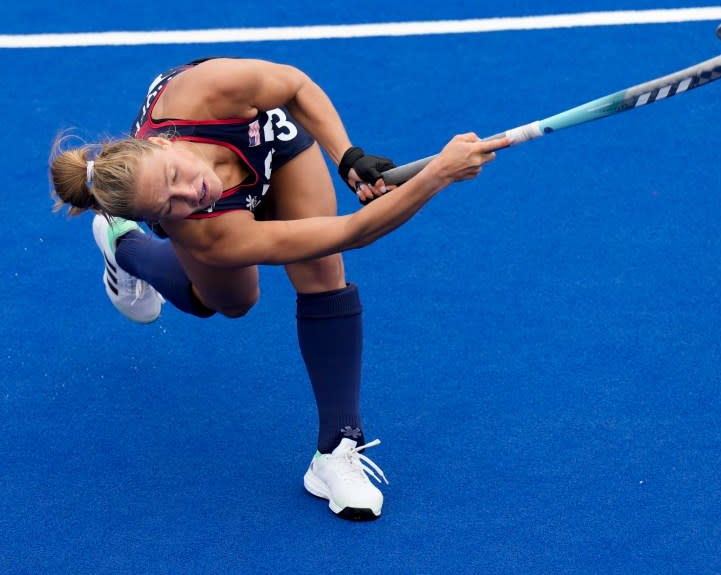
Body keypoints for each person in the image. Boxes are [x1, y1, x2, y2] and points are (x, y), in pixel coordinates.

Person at [49, 57, 509, 521]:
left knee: (320, 270)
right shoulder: (204, 228)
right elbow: (354, 230)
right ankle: (124, 242)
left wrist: (347, 157)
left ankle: (336, 449)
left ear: (167, 143)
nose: (192, 193)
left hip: (264, 140)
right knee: (233, 302)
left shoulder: (207, 93)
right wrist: (438, 175)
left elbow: (294, 85)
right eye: (170, 204)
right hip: (222, 219)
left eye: (174, 177)